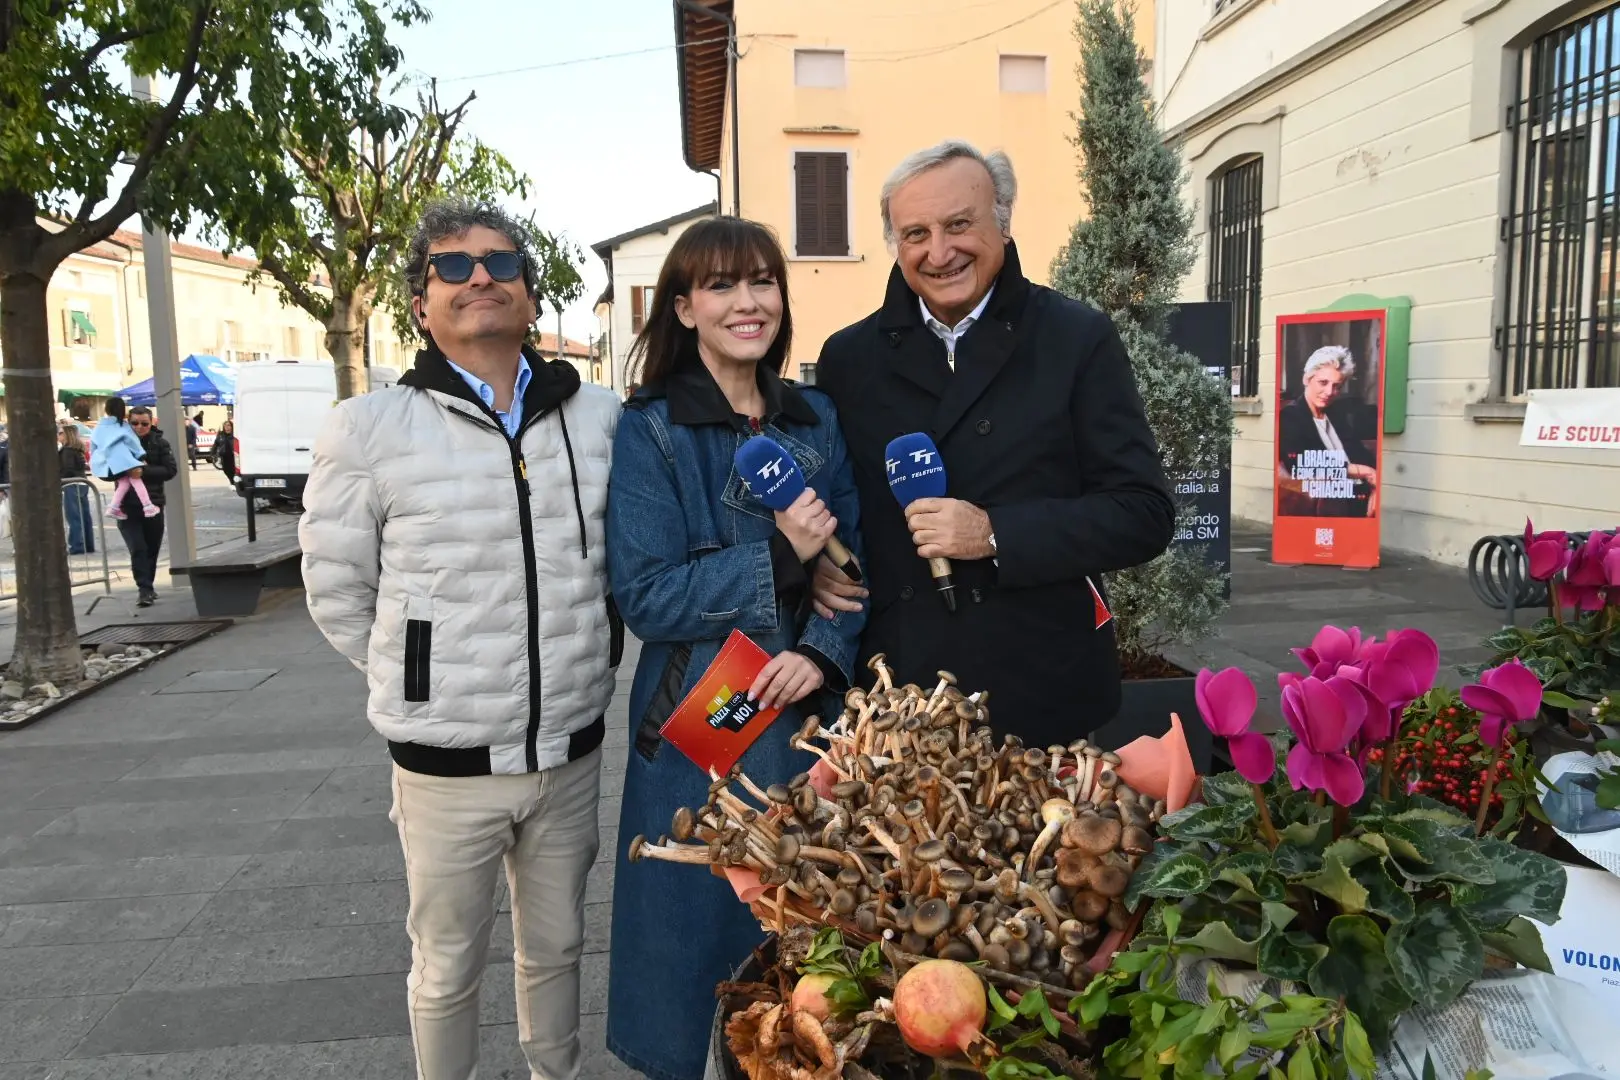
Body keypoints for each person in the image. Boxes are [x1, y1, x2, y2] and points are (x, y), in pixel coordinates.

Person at [299, 197, 621, 1080]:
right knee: (445, 968)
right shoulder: (369, 429)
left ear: (529, 293)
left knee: (558, 947)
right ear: (421, 303)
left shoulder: (599, 418)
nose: (480, 276)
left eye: (502, 262)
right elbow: (336, 590)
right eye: (452, 265)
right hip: (444, 764)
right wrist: (420, 677)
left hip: (570, 753)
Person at [604, 216, 865, 1080]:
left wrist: (824, 652)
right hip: (699, 721)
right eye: (720, 286)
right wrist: (780, 559)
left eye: (761, 282)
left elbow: (856, 570)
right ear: (683, 307)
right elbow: (646, 594)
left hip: (807, 717)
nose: (747, 302)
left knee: (812, 953)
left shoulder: (817, 418)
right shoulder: (651, 431)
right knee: (694, 944)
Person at [810, 140, 1175, 749]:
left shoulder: (1075, 338)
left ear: (1002, 223)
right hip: (900, 697)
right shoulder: (848, 358)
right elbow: (843, 506)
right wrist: (824, 564)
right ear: (896, 245)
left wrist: (995, 534)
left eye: (959, 224)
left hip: (1040, 686)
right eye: (916, 233)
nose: (939, 252)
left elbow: (1143, 513)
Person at [1276, 345, 1377, 518]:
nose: (1330, 392)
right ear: (1307, 379)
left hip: (1360, 494)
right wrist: (1365, 471)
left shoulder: (1336, 414)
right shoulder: (1291, 416)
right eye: (1323, 383)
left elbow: (1362, 454)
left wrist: (1376, 488)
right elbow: (1300, 463)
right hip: (1337, 498)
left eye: (1337, 386)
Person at [116, 406, 177, 607]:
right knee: (138, 548)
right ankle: (144, 589)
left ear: (152, 424)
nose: (139, 427)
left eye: (144, 423)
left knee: (151, 547)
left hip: (153, 502)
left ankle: (148, 586)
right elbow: (105, 471)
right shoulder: (119, 443)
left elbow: (170, 470)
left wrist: (144, 471)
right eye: (135, 423)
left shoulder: (159, 443)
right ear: (128, 422)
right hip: (126, 505)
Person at [89, 397, 160, 521]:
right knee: (135, 478)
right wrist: (141, 456)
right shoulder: (123, 426)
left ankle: (114, 507)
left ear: (106, 409)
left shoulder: (98, 427)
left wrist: (98, 462)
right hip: (123, 460)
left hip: (104, 466)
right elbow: (133, 442)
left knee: (124, 481)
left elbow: (93, 447)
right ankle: (147, 505)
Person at [58, 423, 94, 555]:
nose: (58, 435)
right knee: (84, 516)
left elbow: (68, 469)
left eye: (61, 433)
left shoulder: (67, 450)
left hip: (71, 484)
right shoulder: (77, 449)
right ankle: (88, 544)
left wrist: (59, 478)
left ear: (67, 435)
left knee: (74, 517)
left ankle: (76, 545)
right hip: (82, 483)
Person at [211, 418, 237, 488]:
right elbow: (216, 444)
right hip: (224, 456)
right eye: (225, 426)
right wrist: (213, 453)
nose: (227, 427)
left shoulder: (235, 434)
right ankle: (232, 481)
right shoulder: (221, 435)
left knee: (234, 470)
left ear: (232, 426)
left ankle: (235, 482)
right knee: (226, 470)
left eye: (229, 425)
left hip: (233, 456)